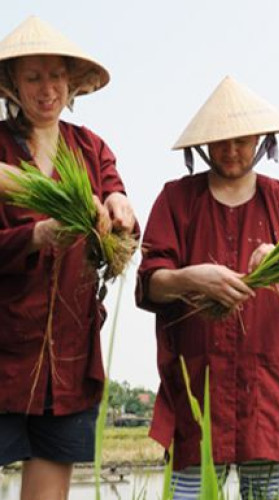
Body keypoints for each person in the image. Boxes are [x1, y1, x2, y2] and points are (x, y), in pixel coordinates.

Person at [136, 76, 279, 500]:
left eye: (242, 141)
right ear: (204, 144)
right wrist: (191, 277)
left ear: (261, 141)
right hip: (198, 394)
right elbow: (151, 284)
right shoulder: (176, 201)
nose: (231, 151)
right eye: (221, 142)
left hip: (274, 399)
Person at [0, 16, 136, 500]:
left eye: (55, 76)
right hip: (7, 346)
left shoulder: (90, 148)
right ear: (13, 83)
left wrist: (120, 210)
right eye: (32, 77)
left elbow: (117, 202)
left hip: (69, 353)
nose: (46, 89)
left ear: (72, 81)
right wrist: (33, 235)